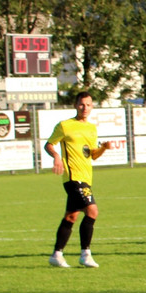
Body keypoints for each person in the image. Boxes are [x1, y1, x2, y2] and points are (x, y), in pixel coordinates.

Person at [45, 91, 109, 268]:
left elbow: (92, 154)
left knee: (71, 216)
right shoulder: (65, 126)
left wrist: (103, 148)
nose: (84, 108)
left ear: (92, 106)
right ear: (75, 105)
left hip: (86, 177)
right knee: (92, 211)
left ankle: (57, 254)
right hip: (73, 177)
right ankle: (85, 254)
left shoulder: (92, 128)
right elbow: (49, 144)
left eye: (88, 105)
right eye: (81, 104)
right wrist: (56, 156)